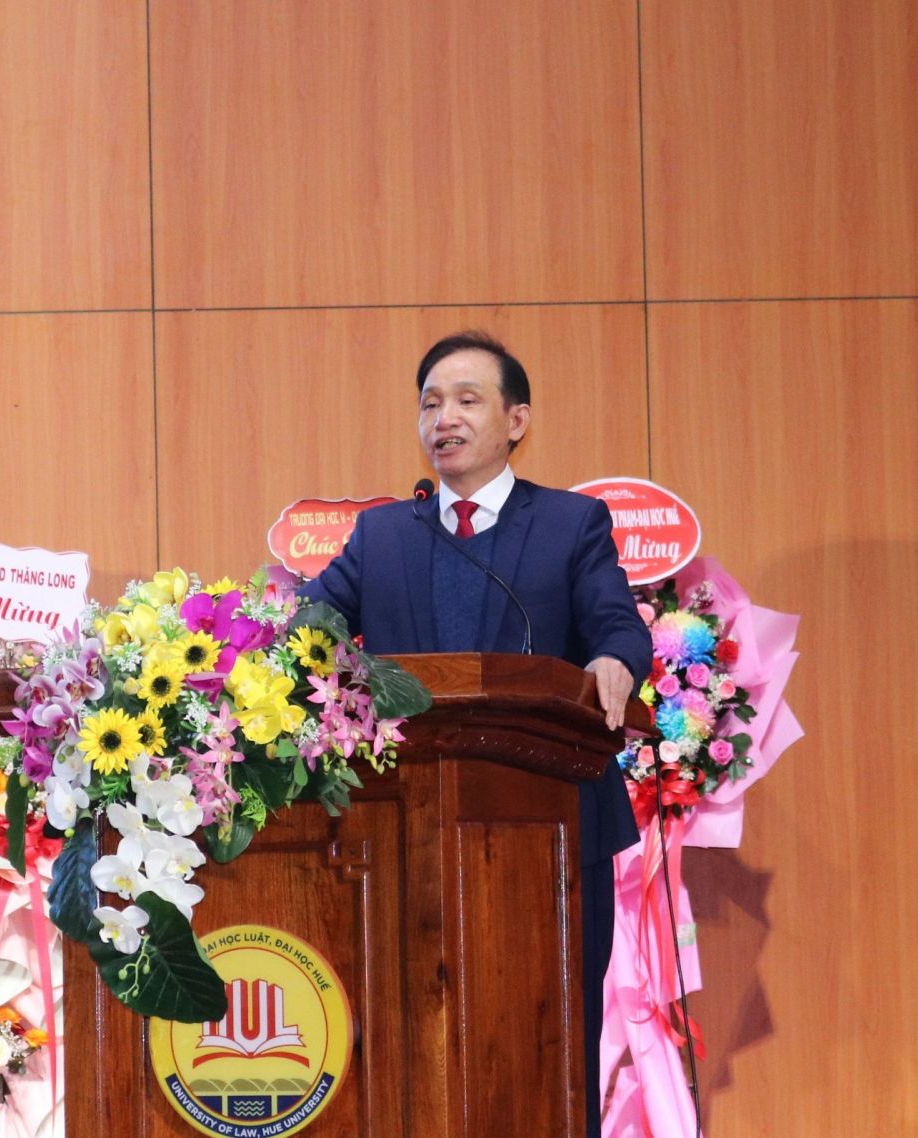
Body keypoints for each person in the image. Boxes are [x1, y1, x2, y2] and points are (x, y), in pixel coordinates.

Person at [300, 330, 651, 1138]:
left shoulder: (571, 523)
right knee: (407, 1040)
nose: (444, 418)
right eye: (430, 403)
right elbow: (308, 625)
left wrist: (612, 659)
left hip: (552, 829)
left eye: (466, 400)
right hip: (400, 832)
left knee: (551, 1036)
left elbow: (615, 624)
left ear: (515, 420)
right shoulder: (384, 535)